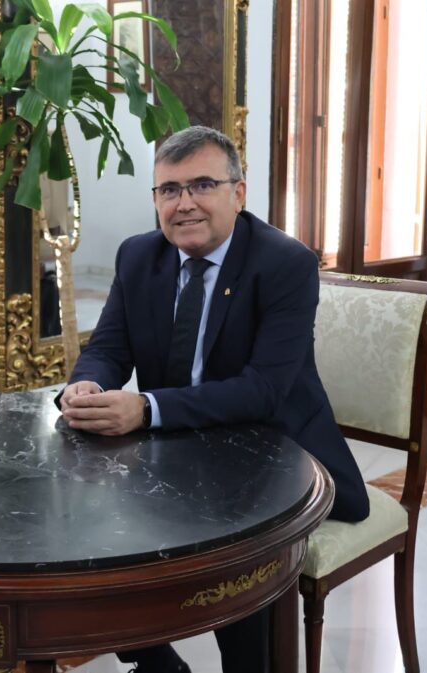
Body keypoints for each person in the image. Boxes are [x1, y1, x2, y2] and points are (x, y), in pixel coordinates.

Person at [57, 126, 370, 673]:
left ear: (239, 193)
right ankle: (156, 663)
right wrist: (88, 384)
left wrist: (147, 408)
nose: (185, 204)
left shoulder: (285, 263)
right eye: (169, 190)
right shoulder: (138, 256)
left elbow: (264, 389)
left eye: (203, 184)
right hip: (181, 449)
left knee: (235, 556)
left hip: (276, 451)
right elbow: (108, 348)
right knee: (88, 533)